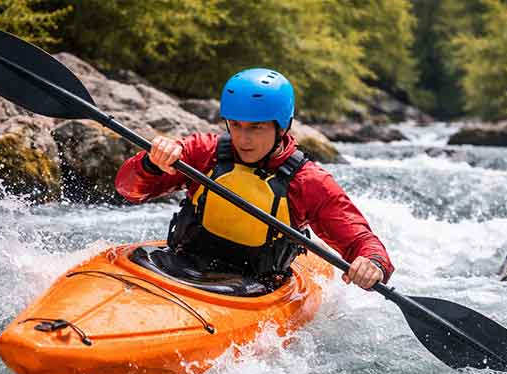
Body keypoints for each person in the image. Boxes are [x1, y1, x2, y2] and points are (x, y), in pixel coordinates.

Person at [115, 68, 393, 290]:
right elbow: (128, 190)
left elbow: (362, 241)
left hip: (255, 286)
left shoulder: (309, 182)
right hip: (180, 263)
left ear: (282, 125)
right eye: (235, 125)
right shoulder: (204, 152)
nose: (243, 139)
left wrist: (372, 263)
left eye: (256, 128)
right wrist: (152, 162)